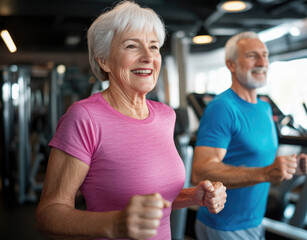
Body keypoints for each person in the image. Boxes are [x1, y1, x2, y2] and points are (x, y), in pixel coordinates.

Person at [35, 1, 227, 240]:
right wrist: (116, 223)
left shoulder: (166, 115)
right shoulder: (85, 117)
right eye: (132, 46)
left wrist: (193, 197)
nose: (148, 57)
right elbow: (48, 213)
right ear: (104, 60)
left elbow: (152, 199)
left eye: (154, 47)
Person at [191, 31, 307, 240]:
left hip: (255, 220)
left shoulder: (264, 108)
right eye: (252, 56)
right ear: (231, 65)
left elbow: (256, 159)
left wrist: (290, 166)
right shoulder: (222, 108)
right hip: (224, 226)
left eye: (265, 55)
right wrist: (266, 173)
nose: (262, 62)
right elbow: (201, 172)